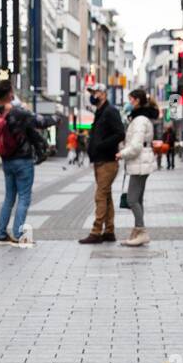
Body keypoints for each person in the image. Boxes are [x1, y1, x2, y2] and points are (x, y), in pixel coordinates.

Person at [0, 82, 51, 246]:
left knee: (9, 198)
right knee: (24, 198)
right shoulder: (16, 111)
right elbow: (39, 121)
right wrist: (56, 119)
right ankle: (18, 234)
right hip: (22, 160)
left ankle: (1, 234)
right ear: (9, 94)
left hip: (7, 160)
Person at [79, 84, 125, 244]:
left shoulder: (110, 111)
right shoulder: (100, 112)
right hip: (100, 160)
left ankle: (96, 231)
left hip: (107, 161)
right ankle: (109, 231)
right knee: (106, 197)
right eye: (91, 93)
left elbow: (120, 133)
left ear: (104, 94)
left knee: (100, 196)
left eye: (95, 92)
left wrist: (101, 145)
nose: (93, 95)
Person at [117, 87, 160, 247]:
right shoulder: (141, 118)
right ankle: (137, 230)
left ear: (137, 100)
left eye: (130, 99)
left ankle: (141, 231)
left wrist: (122, 153)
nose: (129, 103)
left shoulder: (140, 119)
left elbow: (136, 145)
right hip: (142, 161)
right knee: (138, 199)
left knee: (132, 199)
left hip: (140, 161)